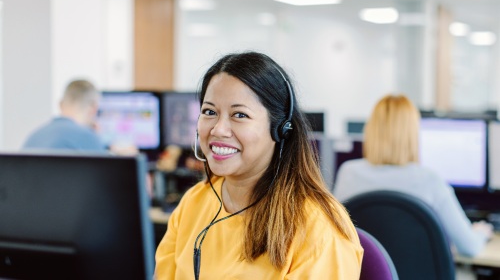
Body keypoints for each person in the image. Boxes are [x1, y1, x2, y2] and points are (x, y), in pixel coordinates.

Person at [155, 51, 363, 279]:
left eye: (239, 115)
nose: (218, 129)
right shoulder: (194, 203)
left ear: (279, 129)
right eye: (210, 112)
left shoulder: (317, 227)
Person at [333, 94, 493, 257]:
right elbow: (469, 248)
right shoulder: (429, 180)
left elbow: (338, 236)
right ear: (413, 134)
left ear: (371, 130)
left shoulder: (348, 173)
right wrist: (480, 233)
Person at [22, 79, 106, 152]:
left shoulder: (34, 137)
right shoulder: (88, 138)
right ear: (94, 109)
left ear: (60, 104)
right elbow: (106, 169)